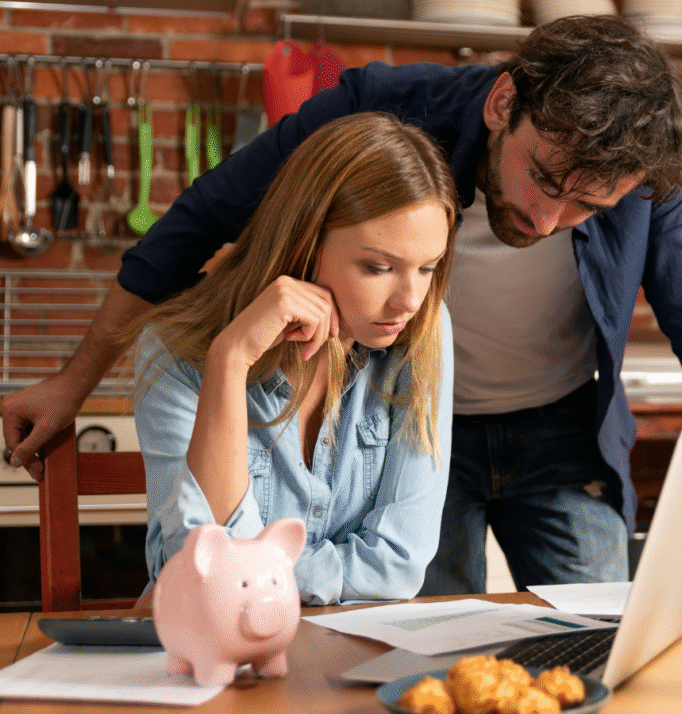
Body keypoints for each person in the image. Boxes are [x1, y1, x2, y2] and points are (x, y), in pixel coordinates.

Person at [1, 16, 682, 590]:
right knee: (418, 647)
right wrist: (73, 384)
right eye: (547, 180)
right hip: (413, 425)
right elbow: (198, 223)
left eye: (589, 208)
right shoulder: (378, 115)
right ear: (503, 105)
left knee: (593, 640)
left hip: (562, 429)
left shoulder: (648, 175)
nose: (551, 220)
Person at [131, 112, 458, 604]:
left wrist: (254, 573)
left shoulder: (424, 332)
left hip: (348, 655)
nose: (409, 300)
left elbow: (398, 566)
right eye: (378, 267)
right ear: (304, 241)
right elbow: (211, 580)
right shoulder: (176, 352)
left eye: (428, 267)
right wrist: (230, 358)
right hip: (218, 659)